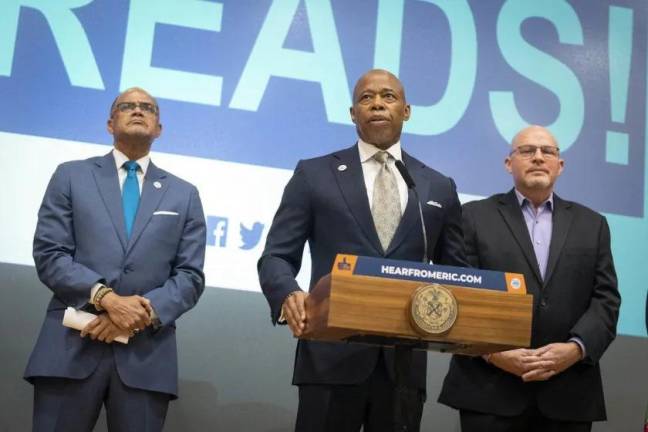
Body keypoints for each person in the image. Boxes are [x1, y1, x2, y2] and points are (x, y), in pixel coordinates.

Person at [258, 69, 467, 431]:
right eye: (366, 98)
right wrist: (287, 293)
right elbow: (277, 254)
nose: (377, 104)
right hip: (329, 360)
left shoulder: (437, 187)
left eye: (388, 96)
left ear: (406, 110)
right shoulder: (314, 174)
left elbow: (458, 273)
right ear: (353, 113)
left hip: (404, 366)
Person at [25, 87, 207, 431]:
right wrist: (105, 298)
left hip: (146, 356)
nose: (138, 110)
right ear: (110, 124)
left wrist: (134, 315)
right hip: (70, 346)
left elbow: (190, 276)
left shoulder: (184, 194)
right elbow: (50, 252)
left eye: (148, 108)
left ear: (159, 128)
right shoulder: (70, 175)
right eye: (127, 106)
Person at [438, 125, 621, 432]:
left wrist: (576, 348)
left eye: (547, 151)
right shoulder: (472, 216)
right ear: (509, 163)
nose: (538, 157)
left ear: (559, 166)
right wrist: (493, 353)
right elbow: (458, 293)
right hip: (489, 391)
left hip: (568, 394)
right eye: (527, 151)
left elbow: (606, 300)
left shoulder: (593, 225)